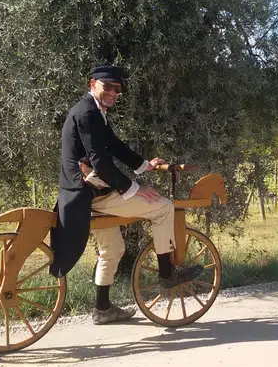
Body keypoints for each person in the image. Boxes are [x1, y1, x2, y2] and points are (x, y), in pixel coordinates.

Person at [48, 64, 204, 325]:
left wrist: (144, 166)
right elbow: (99, 161)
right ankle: (167, 273)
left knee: (113, 248)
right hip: (93, 193)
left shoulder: (95, 113)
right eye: (106, 86)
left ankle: (102, 309)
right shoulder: (87, 113)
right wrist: (134, 187)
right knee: (164, 207)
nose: (112, 92)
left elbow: (114, 145)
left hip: (84, 196)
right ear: (92, 85)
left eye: (117, 89)